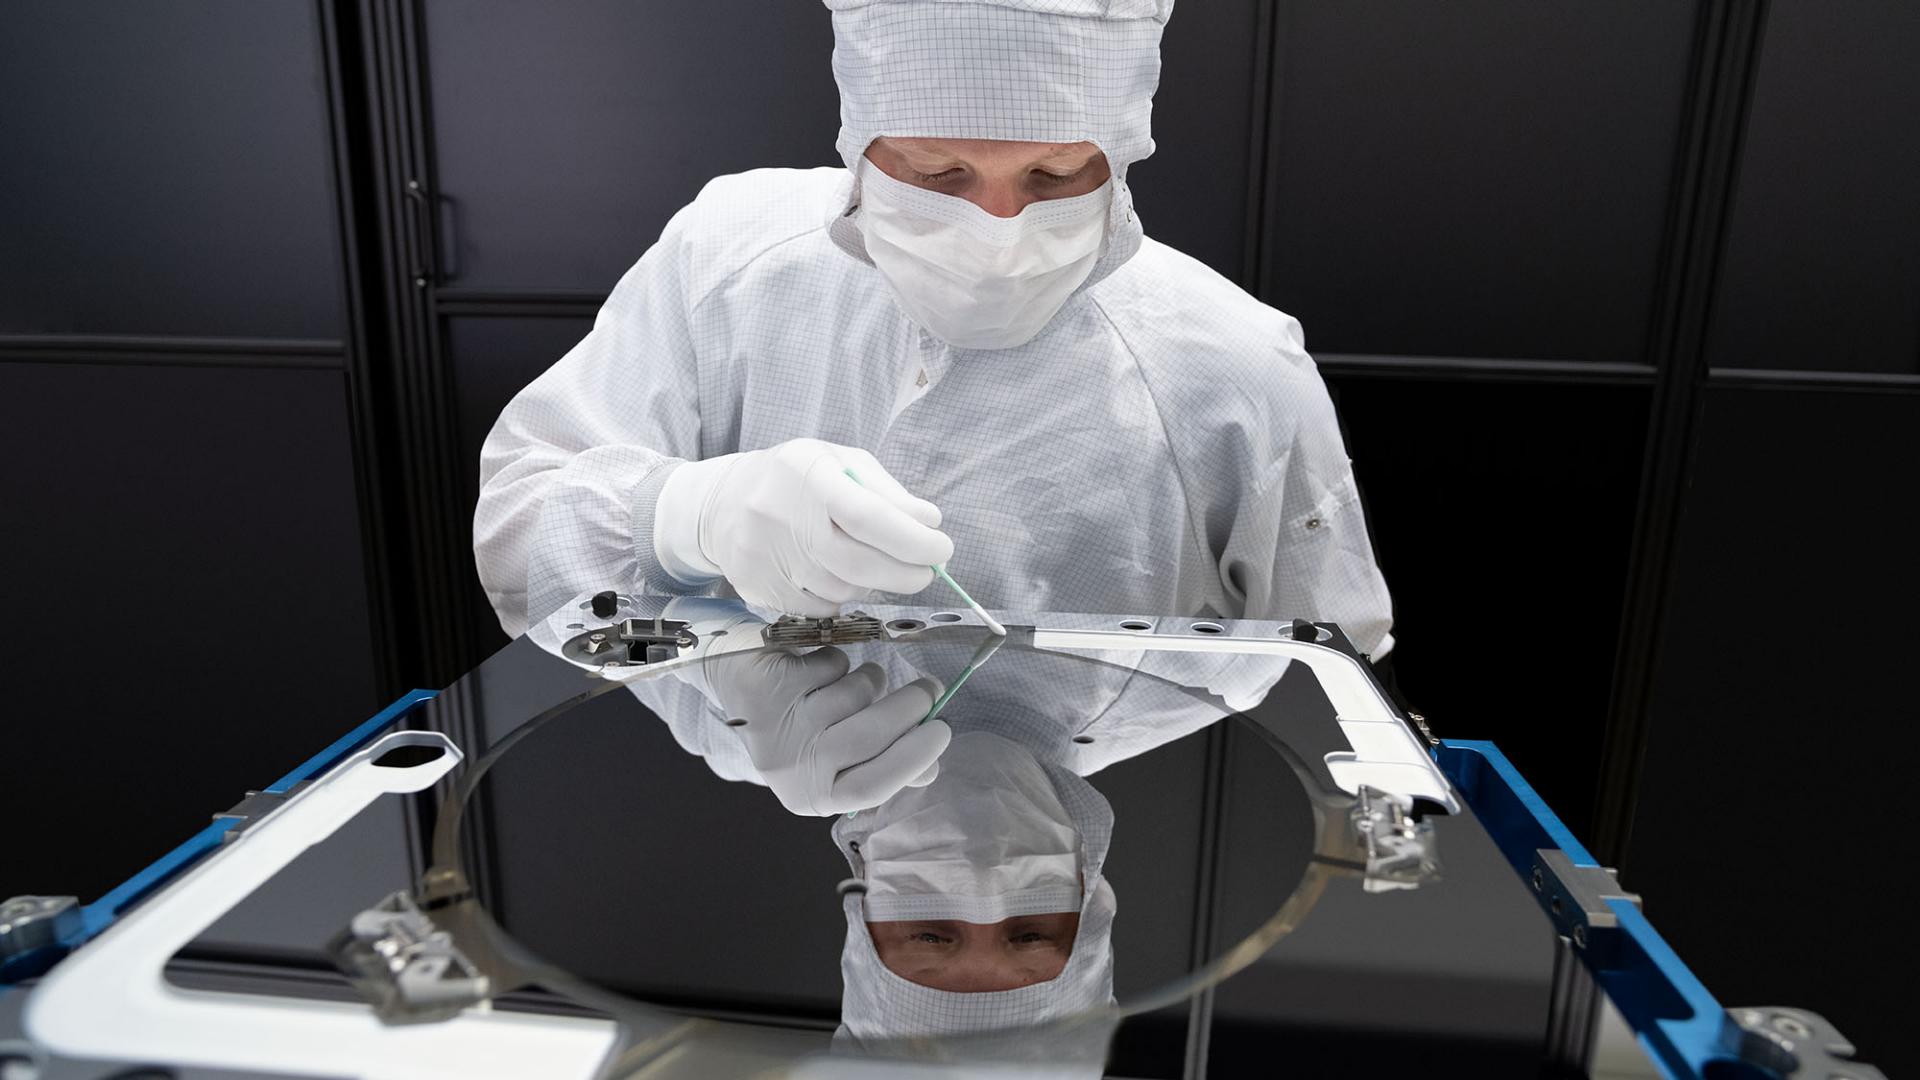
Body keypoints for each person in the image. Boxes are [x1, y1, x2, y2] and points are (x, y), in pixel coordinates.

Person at [477, 0, 1395, 812]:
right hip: (698, 819)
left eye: (1054, 177)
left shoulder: (1233, 365)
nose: (996, 234)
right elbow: (521, 540)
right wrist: (688, 515)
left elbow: (1335, 674)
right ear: (858, 142)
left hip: (1104, 801)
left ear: (1121, 156)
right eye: (937, 173)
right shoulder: (726, 261)